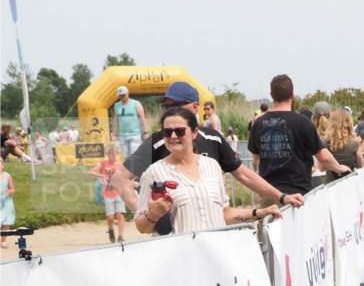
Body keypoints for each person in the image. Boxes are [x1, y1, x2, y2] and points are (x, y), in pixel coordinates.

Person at [112, 81, 304, 235]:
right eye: (167, 106)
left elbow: (243, 175)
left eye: (177, 105)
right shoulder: (157, 142)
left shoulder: (213, 141)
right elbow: (119, 180)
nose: (171, 111)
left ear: (195, 107)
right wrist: (153, 215)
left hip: (214, 248)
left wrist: (281, 197)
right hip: (177, 248)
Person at [136, 108, 283, 235]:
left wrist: (258, 213)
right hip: (181, 255)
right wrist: (153, 215)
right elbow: (142, 227)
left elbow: (224, 214)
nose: (173, 136)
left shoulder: (212, 166)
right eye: (167, 132)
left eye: (180, 131)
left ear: (194, 133)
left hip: (215, 251)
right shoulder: (154, 172)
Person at [247, 75, 351, 199]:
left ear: (271, 94)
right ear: (292, 95)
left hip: (269, 193)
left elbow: (256, 160)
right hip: (298, 195)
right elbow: (323, 156)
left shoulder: (258, 123)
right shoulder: (303, 122)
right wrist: (339, 168)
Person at [90, 144, 126, 243]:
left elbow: (126, 176)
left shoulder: (120, 164)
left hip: (119, 193)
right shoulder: (103, 164)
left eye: (114, 153)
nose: (113, 155)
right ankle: (110, 230)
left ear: (117, 154)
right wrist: (101, 175)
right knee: (110, 217)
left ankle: (121, 236)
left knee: (120, 215)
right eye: (111, 153)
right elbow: (91, 172)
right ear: (107, 154)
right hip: (108, 193)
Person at [323, 109, 364, 179]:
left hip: (331, 182)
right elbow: (360, 166)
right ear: (349, 124)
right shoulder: (355, 143)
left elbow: (321, 168)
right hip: (350, 180)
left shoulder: (325, 143)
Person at [111, 86, 149, 158]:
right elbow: (115, 120)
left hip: (135, 134)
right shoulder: (117, 105)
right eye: (120, 95)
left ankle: (135, 165)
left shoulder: (136, 103)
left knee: (134, 155)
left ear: (128, 93)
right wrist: (114, 133)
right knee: (126, 157)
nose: (122, 97)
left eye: (123, 95)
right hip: (123, 135)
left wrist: (145, 132)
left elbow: (143, 118)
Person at [0, 157, 14, 247]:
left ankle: (3, 241)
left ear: (3, 165)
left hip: (6, 202)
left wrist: (8, 192)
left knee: (7, 222)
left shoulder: (7, 176)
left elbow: (12, 189)